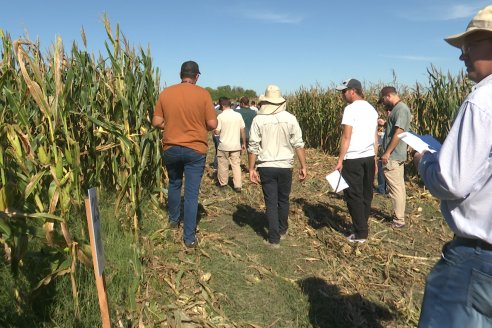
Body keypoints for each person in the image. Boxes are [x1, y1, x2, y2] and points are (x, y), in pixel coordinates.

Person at [414, 5, 492, 327]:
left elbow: (451, 182)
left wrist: (425, 160)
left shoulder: (483, 100)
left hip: (478, 259)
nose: (462, 56)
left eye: (468, 45)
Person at [152, 60, 217, 248]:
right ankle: (189, 238)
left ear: (181, 75)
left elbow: (156, 121)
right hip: (195, 149)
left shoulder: (166, 93)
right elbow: (212, 125)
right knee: (190, 194)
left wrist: (171, 125)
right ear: (196, 76)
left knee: (173, 184)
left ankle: (173, 221)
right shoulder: (203, 94)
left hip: (171, 148)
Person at [248, 85, 307, 248]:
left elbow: (253, 146)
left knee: (271, 201)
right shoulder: (290, 118)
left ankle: (274, 238)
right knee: (283, 199)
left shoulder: (258, 119)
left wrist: (251, 168)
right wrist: (303, 166)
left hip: (266, 166)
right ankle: (282, 229)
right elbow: (298, 144)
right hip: (285, 165)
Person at [334, 79, 378, 243]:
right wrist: (374, 159)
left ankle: (360, 233)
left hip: (353, 157)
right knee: (366, 194)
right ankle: (362, 226)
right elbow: (375, 137)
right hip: (368, 156)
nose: (342, 95)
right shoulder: (372, 109)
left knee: (353, 195)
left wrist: (340, 160)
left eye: (344, 91)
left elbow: (346, 137)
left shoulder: (350, 109)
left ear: (352, 91)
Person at [378, 86, 411, 228]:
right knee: (399, 187)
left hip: (394, 155)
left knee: (395, 189)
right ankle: (399, 216)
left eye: (384, 100)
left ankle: (399, 220)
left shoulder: (401, 109)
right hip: (396, 154)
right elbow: (394, 128)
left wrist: (387, 153)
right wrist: (385, 123)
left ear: (389, 95)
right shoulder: (398, 109)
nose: (383, 103)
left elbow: (399, 131)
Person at [215, 97, 246, 192]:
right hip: (235, 145)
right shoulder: (238, 115)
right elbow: (242, 130)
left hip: (223, 145)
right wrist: (244, 143)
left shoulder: (220, 116)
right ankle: (238, 186)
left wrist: (214, 131)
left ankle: (223, 184)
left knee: (223, 165)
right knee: (236, 165)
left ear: (222, 105)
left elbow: (217, 131)